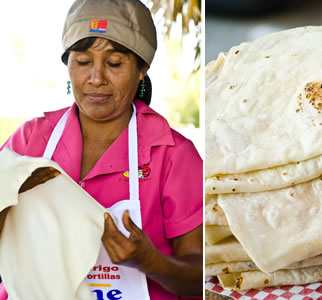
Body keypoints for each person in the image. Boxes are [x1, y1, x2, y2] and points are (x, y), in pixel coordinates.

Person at [0, 0, 203, 299]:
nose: (96, 78)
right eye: (83, 62)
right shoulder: (32, 141)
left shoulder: (172, 154)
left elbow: (204, 276)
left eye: (114, 63)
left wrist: (151, 261)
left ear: (141, 69)